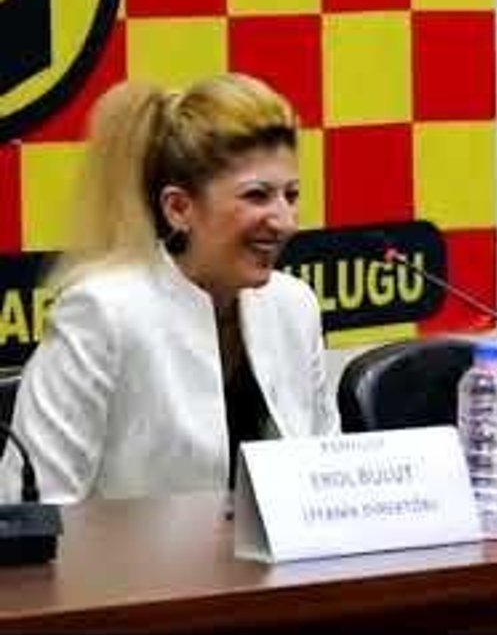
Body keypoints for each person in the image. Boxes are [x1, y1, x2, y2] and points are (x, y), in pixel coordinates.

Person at [0, 73, 338, 503]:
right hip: (122, 551)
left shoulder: (295, 305)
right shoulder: (103, 312)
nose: (285, 222)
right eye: (257, 196)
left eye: (291, 195)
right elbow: (31, 509)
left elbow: (328, 478)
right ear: (179, 208)